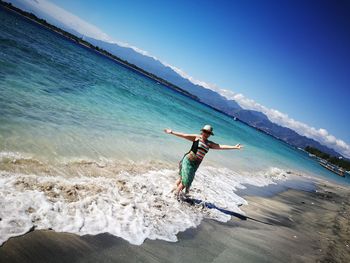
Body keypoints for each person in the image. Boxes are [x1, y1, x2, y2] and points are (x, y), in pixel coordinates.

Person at [164, 125, 243, 198]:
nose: (206, 133)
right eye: (205, 131)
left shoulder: (209, 143)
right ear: (202, 131)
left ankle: (173, 190)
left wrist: (235, 147)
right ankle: (175, 196)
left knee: (184, 178)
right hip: (188, 160)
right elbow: (184, 135)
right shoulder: (197, 137)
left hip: (196, 164)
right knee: (186, 180)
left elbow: (221, 146)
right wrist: (172, 132)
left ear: (210, 134)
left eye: (208, 133)